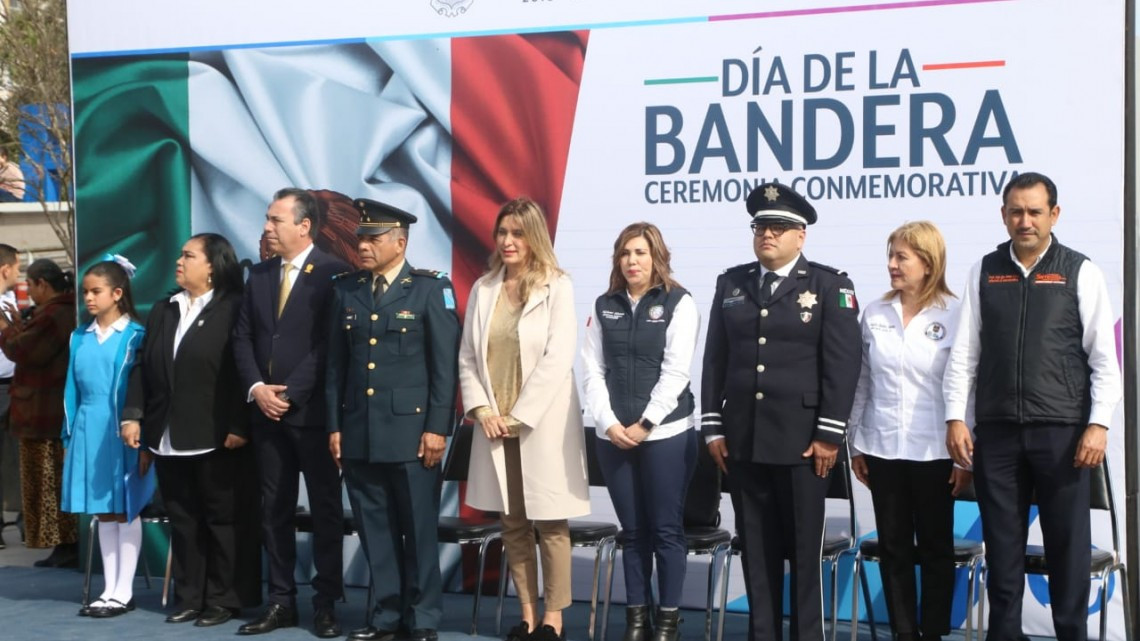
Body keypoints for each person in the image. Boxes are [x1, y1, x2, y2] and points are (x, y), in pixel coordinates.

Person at [943, 172, 1121, 641]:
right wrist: (956, 416)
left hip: (1063, 434)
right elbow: (965, 353)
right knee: (1003, 551)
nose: (1025, 221)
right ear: (1003, 215)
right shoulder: (984, 270)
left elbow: (1105, 358)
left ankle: (1070, 635)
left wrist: (1098, 424)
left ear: (1053, 215)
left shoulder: (1080, 270)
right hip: (997, 435)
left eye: (1034, 212)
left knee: (1067, 549)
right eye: (1016, 211)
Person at [701, 182, 862, 641]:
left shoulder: (830, 285)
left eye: (778, 227)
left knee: (802, 554)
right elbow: (716, 358)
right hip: (745, 442)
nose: (766, 235)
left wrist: (830, 434)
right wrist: (713, 426)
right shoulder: (731, 283)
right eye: (760, 227)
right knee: (756, 553)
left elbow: (842, 364)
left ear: (801, 235)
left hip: (803, 444)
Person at [326, 199, 460, 641]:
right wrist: (335, 427)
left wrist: (437, 428)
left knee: (418, 531)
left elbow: (444, 368)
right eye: (361, 237)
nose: (363, 245)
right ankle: (385, 616)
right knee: (375, 530)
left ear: (400, 242)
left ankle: (422, 618)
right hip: (361, 430)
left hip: (412, 432)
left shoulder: (429, 288)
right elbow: (336, 369)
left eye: (373, 238)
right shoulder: (346, 290)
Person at [459, 197, 589, 641]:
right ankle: (528, 615)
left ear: (534, 237)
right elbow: (468, 359)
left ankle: (553, 620)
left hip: (540, 424)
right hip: (495, 425)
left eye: (517, 233)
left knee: (550, 522)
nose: (508, 241)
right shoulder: (484, 287)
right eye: (502, 233)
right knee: (513, 523)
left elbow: (558, 358)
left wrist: (519, 415)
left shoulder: (558, 285)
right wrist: (482, 410)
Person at [123, 233, 259, 627]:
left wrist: (238, 423)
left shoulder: (235, 307)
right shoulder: (165, 308)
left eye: (189, 256)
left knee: (223, 520)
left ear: (213, 265)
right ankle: (190, 596)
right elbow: (143, 366)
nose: (179, 261)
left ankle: (223, 598)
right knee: (183, 521)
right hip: (167, 435)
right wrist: (134, 415)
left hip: (217, 434)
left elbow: (242, 370)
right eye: (180, 255)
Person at [233, 187, 349, 638]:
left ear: (304, 226)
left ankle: (327, 602)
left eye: (275, 220)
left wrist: (291, 392)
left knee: (324, 511)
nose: (267, 227)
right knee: (274, 510)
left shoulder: (334, 274)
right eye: (266, 218)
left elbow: (329, 344)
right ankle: (281, 600)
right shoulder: (259, 275)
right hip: (267, 414)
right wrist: (258, 389)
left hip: (314, 415)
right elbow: (242, 338)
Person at [848, 222, 971, 641]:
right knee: (894, 550)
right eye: (891, 255)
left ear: (928, 262)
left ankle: (933, 632)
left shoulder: (955, 314)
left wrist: (964, 456)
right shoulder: (875, 312)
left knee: (936, 552)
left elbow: (964, 387)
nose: (892, 265)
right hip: (882, 447)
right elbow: (862, 381)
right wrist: (855, 443)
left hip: (936, 451)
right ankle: (903, 632)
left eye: (901, 257)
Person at [581, 222, 700, 641]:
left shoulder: (678, 303)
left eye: (641, 253)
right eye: (626, 253)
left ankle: (667, 620)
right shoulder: (603, 305)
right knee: (633, 532)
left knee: (666, 530)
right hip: (613, 436)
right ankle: (636, 620)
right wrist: (609, 422)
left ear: (657, 258)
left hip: (666, 434)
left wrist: (645, 423)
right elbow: (592, 372)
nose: (632, 261)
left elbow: (676, 373)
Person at [60, 257, 151, 618]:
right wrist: (69, 436)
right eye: (85, 293)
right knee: (102, 510)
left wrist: (142, 434)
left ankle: (123, 590)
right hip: (88, 428)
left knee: (124, 507)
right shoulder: (78, 336)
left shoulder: (135, 336)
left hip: (124, 430)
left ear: (117, 293)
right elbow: (71, 390)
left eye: (96, 292)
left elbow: (143, 390)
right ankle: (108, 587)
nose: (89, 299)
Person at [0, 256, 79, 566]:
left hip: (44, 413)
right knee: (48, 482)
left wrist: (6, 328)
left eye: (31, 285)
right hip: (41, 410)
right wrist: (18, 325)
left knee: (50, 482)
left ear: (43, 284)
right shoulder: (52, 313)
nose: (29, 291)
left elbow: (26, 351)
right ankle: (62, 544)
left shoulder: (55, 314)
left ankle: (66, 544)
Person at [0, 244, 21, 550]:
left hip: (13, 387)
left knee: (10, 460)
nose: (19, 272)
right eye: (18, 266)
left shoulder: (10, 302)